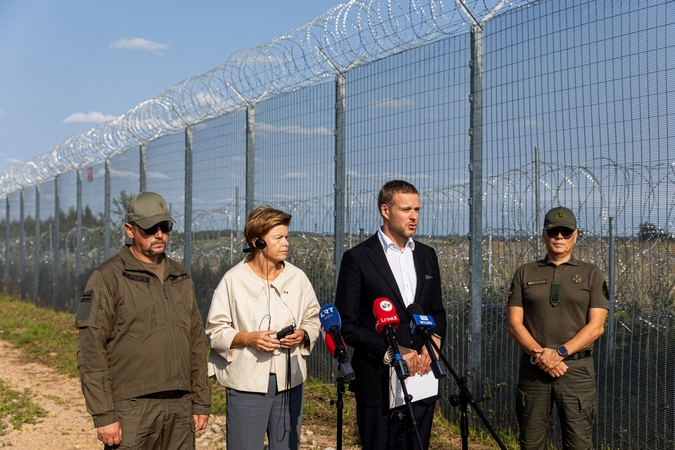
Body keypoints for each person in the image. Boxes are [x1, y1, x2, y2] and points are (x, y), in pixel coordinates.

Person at [75, 191, 211, 449]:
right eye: (150, 228)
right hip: (132, 408)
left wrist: (201, 400)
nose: (159, 234)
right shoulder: (108, 278)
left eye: (165, 227)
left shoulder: (180, 277)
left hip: (180, 406)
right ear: (130, 230)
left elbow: (195, 340)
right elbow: (91, 349)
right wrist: (104, 414)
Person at [334, 180, 447, 450]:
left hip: (421, 378)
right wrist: (392, 352)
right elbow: (347, 325)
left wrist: (435, 340)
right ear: (385, 210)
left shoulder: (427, 256)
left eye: (417, 209)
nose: (414, 216)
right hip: (378, 382)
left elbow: (436, 311)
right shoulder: (358, 258)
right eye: (406, 209)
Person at [205, 205, 321, 450]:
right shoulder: (233, 280)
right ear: (256, 242)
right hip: (247, 384)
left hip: (290, 382)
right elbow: (215, 331)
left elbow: (313, 318)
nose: (286, 243)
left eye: (286, 236)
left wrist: (302, 335)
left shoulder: (297, 278)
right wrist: (249, 338)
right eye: (278, 237)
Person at [506, 206, 609, 450]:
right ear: (544, 234)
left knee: (578, 444)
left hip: (576, 371)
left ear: (575, 235)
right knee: (531, 444)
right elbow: (513, 323)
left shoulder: (592, 274)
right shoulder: (525, 272)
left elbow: (597, 326)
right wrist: (542, 356)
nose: (559, 237)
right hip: (534, 369)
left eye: (565, 232)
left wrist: (560, 353)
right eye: (553, 232)